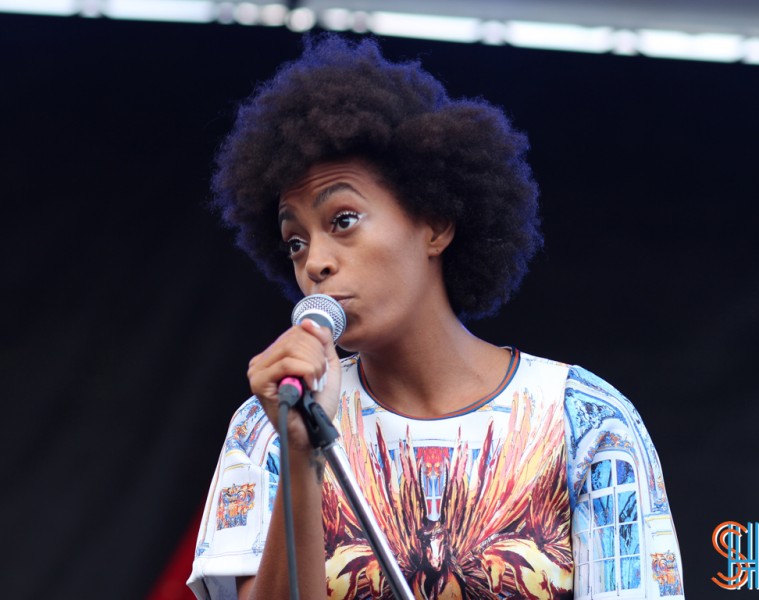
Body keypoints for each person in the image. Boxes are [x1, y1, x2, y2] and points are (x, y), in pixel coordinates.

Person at [187, 35, 684, 600]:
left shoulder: (586, 421)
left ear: (436, 224)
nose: (315, 262)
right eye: (295, 242)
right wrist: (302, 454)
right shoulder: (268, 425)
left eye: (343, 220)